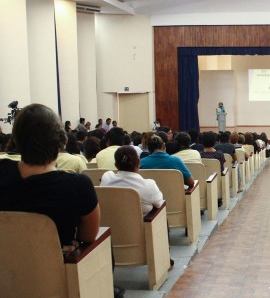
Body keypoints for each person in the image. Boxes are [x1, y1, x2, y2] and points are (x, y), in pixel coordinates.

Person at [0, 103, 100, 247]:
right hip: (55, 267)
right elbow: (88, 236)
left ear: (15, 139)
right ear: (63, 140)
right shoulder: (78, 185)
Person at [100, 145, 164, 215]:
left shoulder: (106, 178)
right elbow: (159, 204)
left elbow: (108, 174)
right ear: (138, 162)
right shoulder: (149, 186)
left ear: (115, 165)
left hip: (111, 224)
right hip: (141, 225)